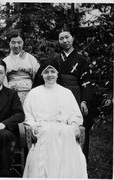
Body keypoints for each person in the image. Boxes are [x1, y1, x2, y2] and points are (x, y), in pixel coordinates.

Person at [22, 58, 87, 178]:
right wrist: (33, 125)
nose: (50, 75)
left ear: (57, 74)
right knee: (48, 132)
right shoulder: (34, 93)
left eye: (52, 72)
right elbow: (28, 114)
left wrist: (74, 124)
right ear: (42, 75)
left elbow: (75, 114)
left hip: (63, 128)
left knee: (66, 133)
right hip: (42, 129)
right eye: (46, 72)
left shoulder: (66, 92)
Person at [53, 27, 94, 160]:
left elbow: (86, 82)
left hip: (77, 94)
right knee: (60, 127)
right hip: (59, 94)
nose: (65, 41)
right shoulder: (56, 59)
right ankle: (62, 161)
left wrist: (84, 101)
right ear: (58, 41)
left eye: (67, 37)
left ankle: (81, 161)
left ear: (73, 38)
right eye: (61, 38)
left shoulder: (81, 59)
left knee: (78, 127)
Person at [3, 29, 40, 104]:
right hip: (11, 94)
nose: (16, 45)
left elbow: (37, 77)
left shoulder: (30, 58)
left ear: (23, 43)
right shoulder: (5, 61)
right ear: (9, 43)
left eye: (19, 42)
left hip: (30, 93)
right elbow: (4, 81)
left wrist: (34, 91)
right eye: (13, 42)